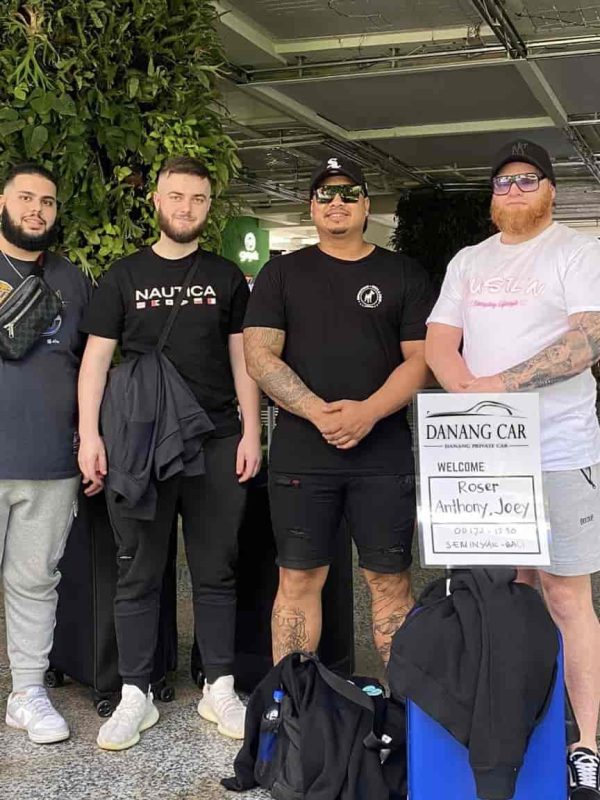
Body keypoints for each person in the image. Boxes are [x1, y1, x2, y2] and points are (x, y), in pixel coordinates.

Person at [426, 138, 600, 799]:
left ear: (551, 190)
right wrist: (469, 391)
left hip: (560, 449)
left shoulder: (576, 251)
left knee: (566, 596)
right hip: (488, 454)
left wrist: (497, 383)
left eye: (529, 180)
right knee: (508, 594)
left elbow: (587, 337)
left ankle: (585, 743)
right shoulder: (469, 261)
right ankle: (520, 722)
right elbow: (442, 340)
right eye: (502, 182)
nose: (515, 190)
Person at [78, 156, 262, 750]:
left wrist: (252, 431)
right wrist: (90, 435)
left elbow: (243, 359)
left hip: (214, 441)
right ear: (156, 201)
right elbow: (96, 364)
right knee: (137, 572)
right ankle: (136, 693)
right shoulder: (121, 277)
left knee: (217, 571)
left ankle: (220, 686)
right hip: (139, 447)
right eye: (176, 197)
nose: (186, 208)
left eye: (198, 199)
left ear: (210, 205)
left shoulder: (227, 276)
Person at [243, 155, 433, 666]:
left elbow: (422, 361)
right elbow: (259, 356)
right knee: (298, 577)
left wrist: (368, 412)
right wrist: (317, 412)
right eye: (325, 194)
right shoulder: (281, 273)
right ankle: (292, 705)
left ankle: (405, 710)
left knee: (390, 581)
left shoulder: (403, 272)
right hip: (304, 453)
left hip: (383, 454)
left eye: (349, 193)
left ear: (367, 206)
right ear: (311, 207)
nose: (337, 202)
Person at [0, 163, 90, 743]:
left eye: (48, 202)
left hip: (52, 461)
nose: (37, 209)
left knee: (36, 580)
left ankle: (27, 691)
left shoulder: (73, 280)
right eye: (26, 198)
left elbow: (91, 365)